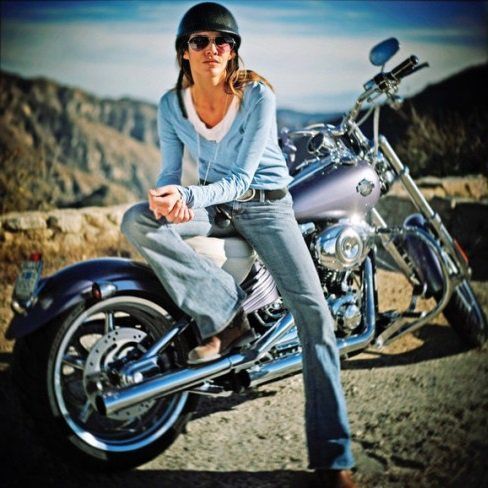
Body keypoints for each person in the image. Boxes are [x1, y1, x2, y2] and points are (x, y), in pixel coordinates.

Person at [121, 3, 357, 486]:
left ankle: (334, 459)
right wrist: (168, 198)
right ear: (184, 52)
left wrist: (189, 196)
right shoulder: (171, 105)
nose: (212, 49)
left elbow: (245, 180)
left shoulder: (257, 96)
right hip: (216, 205)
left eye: (222, 41)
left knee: (315, 316)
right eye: (200, 41)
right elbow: (171, 172)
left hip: (266, 206)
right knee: (137, 219)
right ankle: (228, 317)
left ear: (233, 51)